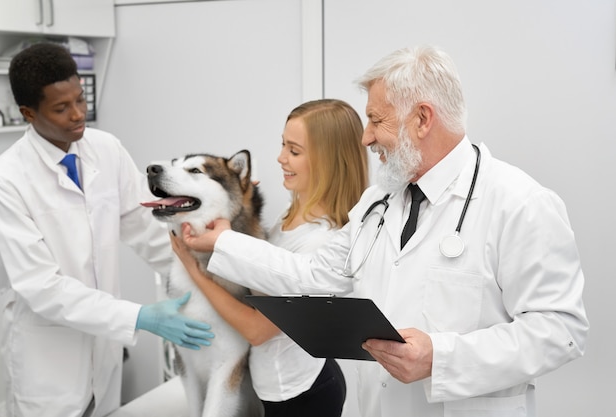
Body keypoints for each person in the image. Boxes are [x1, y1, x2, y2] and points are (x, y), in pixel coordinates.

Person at [179, 46, 589, 417]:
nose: (366, 136)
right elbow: (314, 276)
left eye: (376, 119)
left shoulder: (519, 203)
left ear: (423, 119)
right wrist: (221, 241)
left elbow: (561, 330)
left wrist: (440, 357)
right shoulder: (378, 202)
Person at [0, 42, 214, 417]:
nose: (79, 114)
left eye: (80, 99)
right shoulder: (5, 179)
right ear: (28, 113)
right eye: (62, 108)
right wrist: (139, 317)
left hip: (103, 350)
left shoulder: (105, 149)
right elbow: (42, 287)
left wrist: (205, 279)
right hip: (48, 360)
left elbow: (149, 231)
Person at [171, 98, 368, 417]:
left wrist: (193, 268)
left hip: (300, 396)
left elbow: (257, 329)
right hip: (278, 385)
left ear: (326, 161)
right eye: (282, 145)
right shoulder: (289, 216)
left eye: (294, 150)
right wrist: (238, 203)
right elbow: (258, 273)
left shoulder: (318, 241)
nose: (280, 158)